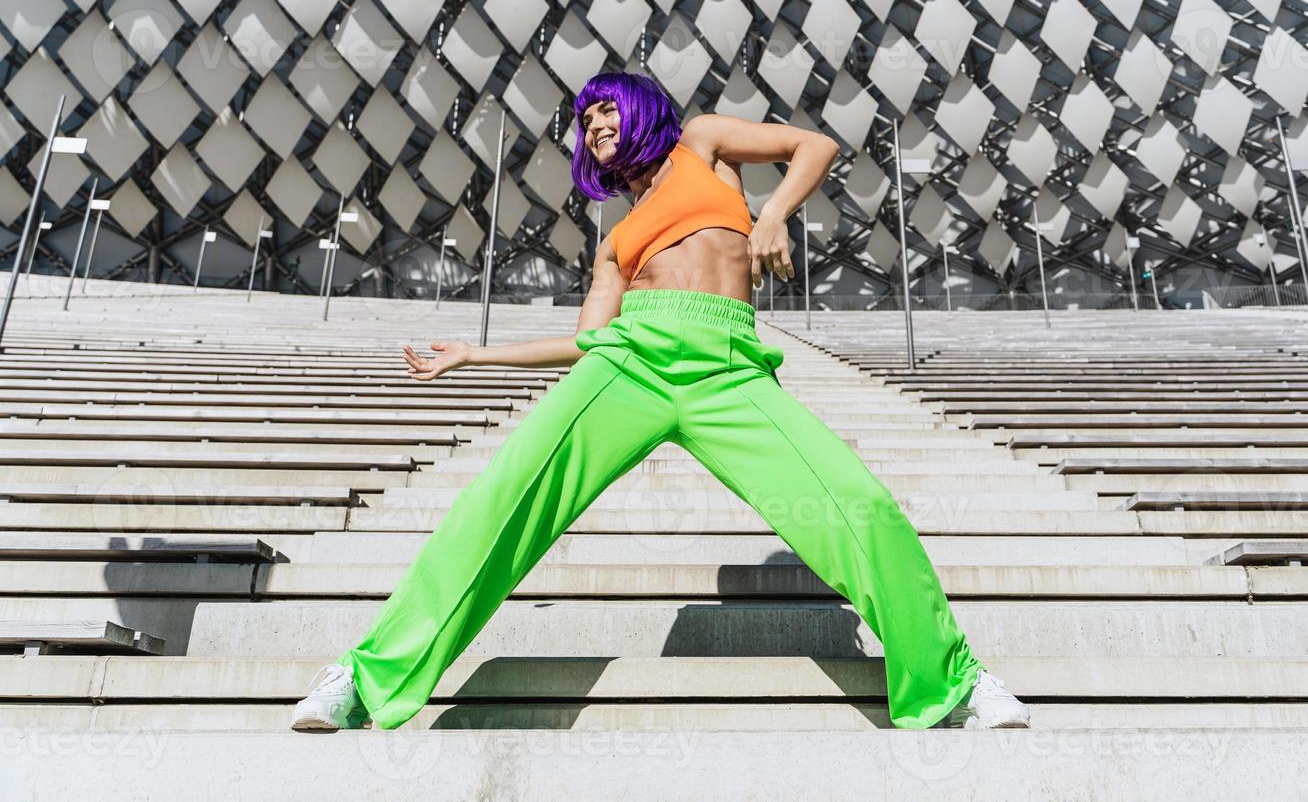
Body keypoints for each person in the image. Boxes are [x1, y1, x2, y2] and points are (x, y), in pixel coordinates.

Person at [290, 71, 1029, 733]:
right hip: (632, 362)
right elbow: (588, 340)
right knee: (501, 498)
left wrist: (771, 216)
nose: (594, 127)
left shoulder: (702, 144)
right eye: (584, 122)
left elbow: (815, 146)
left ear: (639, 109)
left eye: (603, 109)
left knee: (859, 505)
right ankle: (363, 677)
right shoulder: (614, 241)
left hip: (729, 367)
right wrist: (477, 354)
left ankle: (952, 680)